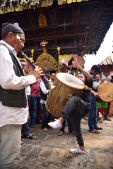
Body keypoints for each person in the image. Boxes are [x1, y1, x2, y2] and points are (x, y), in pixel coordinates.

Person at [0, 22, 42, 168]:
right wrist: (33, 77)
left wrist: (27, 73)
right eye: (21, 40)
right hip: (8, 113)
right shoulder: (2, 51)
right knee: (9, 158)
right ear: (10, 35)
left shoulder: (8, 52)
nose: (23, 45)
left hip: (9, 112)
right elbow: (7, 81)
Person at [48, 54, 93, 154]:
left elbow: (89, 77)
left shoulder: (88, 84)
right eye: (79, 76)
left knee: (75, 98)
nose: (80, 77)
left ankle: (60, 120)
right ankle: (81, 148)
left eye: (82, 76)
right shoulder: (75, 86)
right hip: (77, 109)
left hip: (85, 106)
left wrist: (79, 67)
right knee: (77, 128)